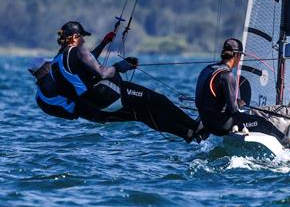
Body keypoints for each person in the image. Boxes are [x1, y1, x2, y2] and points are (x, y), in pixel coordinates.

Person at [33, 21, 202, 142]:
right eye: (82, 37)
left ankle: (187, 133)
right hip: (108, 93)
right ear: (75, 37)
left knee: (143, 114)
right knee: (158, 100)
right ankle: (195, 127)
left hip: (94, 103)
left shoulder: (55, 62)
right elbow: (102, 72)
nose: (84, 40)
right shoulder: (77, 51)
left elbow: (83, 65)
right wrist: (122, 65)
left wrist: (104, 43)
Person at [195, 38, 282, 138]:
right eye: (240, 56)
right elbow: (233, 111)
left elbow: (205, 100)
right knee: (264, 123)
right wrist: (238, 103)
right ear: (237, 55)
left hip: (206, 122)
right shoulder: (227, 75)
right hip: (222, 125)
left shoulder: (207, 70)